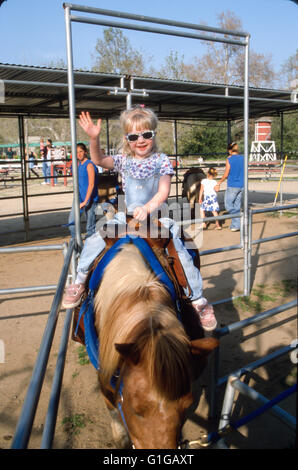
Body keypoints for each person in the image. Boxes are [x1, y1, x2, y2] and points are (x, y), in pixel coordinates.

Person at [62, 106, 217, 332]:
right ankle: (80, 280)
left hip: (156, 217)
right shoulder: (124, 160)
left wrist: (148, 207)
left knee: (179, 249)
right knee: (97, 238)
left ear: (153, 134)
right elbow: (98, 159)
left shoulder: (161, 161)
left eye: (146, 134)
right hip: (126, 216)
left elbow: (163, 191)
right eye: (134, 136)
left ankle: (198, 300)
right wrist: (93, 139)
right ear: (127, 139)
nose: (141, 140)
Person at [67, 143, 99, 239]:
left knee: (90, 228)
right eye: (76, 152)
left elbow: (91, 184)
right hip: (78, 198)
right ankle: (77, 245)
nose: (79, 154)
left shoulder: (89, 165)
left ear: (85, 152)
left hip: (89, 199)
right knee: (72, 223)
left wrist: (86, 201)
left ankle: (92, 251)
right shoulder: (76, 165)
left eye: (81, 151)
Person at [218, 142, 244, 232]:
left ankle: (239, 220)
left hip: (233, 185)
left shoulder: (229, 159)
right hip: (241, 185)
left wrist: (219, 182)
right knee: (237, 205)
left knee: (228, 205)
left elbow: (226, 173)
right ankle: (235, 226)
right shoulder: (243, 158)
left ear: (230, 151)